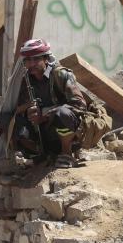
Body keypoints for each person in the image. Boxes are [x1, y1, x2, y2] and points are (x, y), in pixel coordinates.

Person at [13, 39, 92, 168]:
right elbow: (18, 108)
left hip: (67, 128)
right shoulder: (25, 81)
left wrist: (46, 114)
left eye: (36, 59)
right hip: (43, 130)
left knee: (62, 113)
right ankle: (39, 155)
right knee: (13, 121)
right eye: (28, 60)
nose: (31, 64)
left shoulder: (61, 74)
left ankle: (66, 153)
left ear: (45, 59)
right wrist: (29, 111)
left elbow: (79, 105)